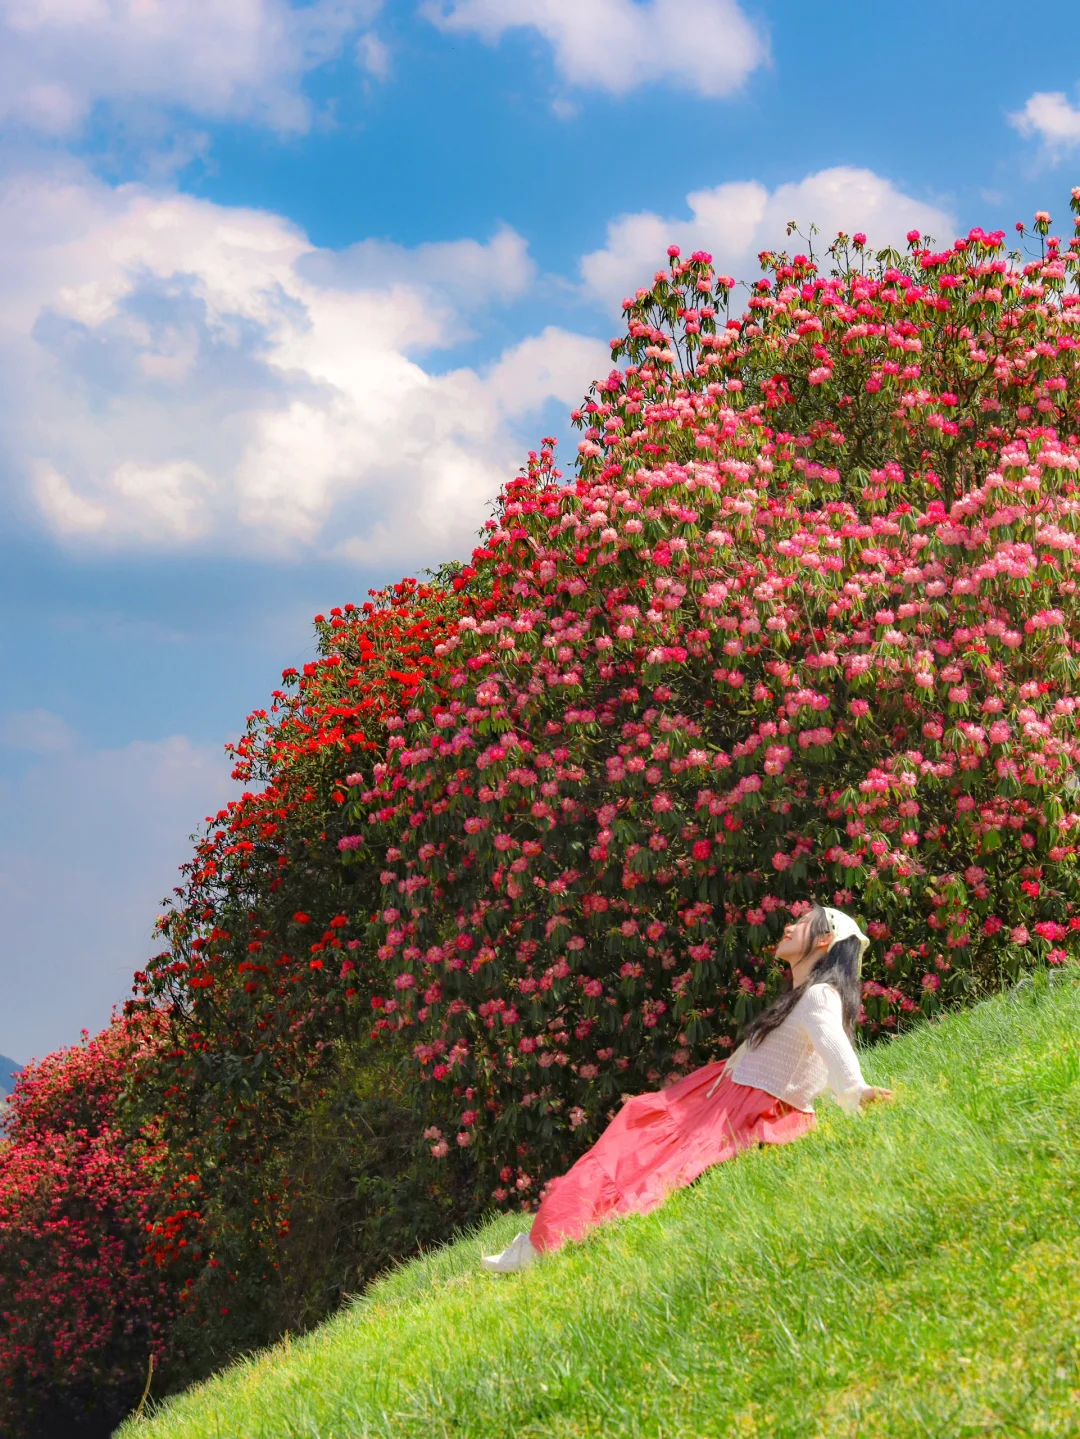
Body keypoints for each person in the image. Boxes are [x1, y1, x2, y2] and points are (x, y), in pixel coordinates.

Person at [481, 903, 893, 1273]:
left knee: (638, 1162)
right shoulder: (805, 994)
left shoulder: (820, 996)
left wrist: (856, 1091)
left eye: (802, 923)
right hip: (722, 1099)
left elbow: (833, 1045)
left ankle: (546, 1243)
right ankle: (544, 1239)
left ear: (824, 940)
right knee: (632, 1144)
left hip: (736, 1112)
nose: (788, 926)